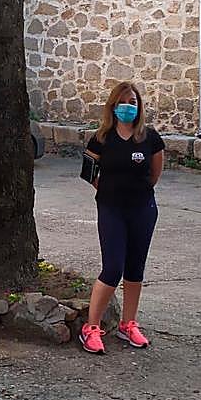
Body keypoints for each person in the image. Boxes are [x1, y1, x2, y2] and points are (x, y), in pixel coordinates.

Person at [77, 81, 165, 355]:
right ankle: (91, 327)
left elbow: (155, 174)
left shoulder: (149, 137)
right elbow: (89, 171)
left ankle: (129, 323)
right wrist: (107, 191)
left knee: (135, 269)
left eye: (133, 102)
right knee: (113, 268)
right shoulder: (101, 138)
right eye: (123, 102)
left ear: (139, 107)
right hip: (111, 210)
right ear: (113, 106)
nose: (128, 107)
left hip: (142, 209)